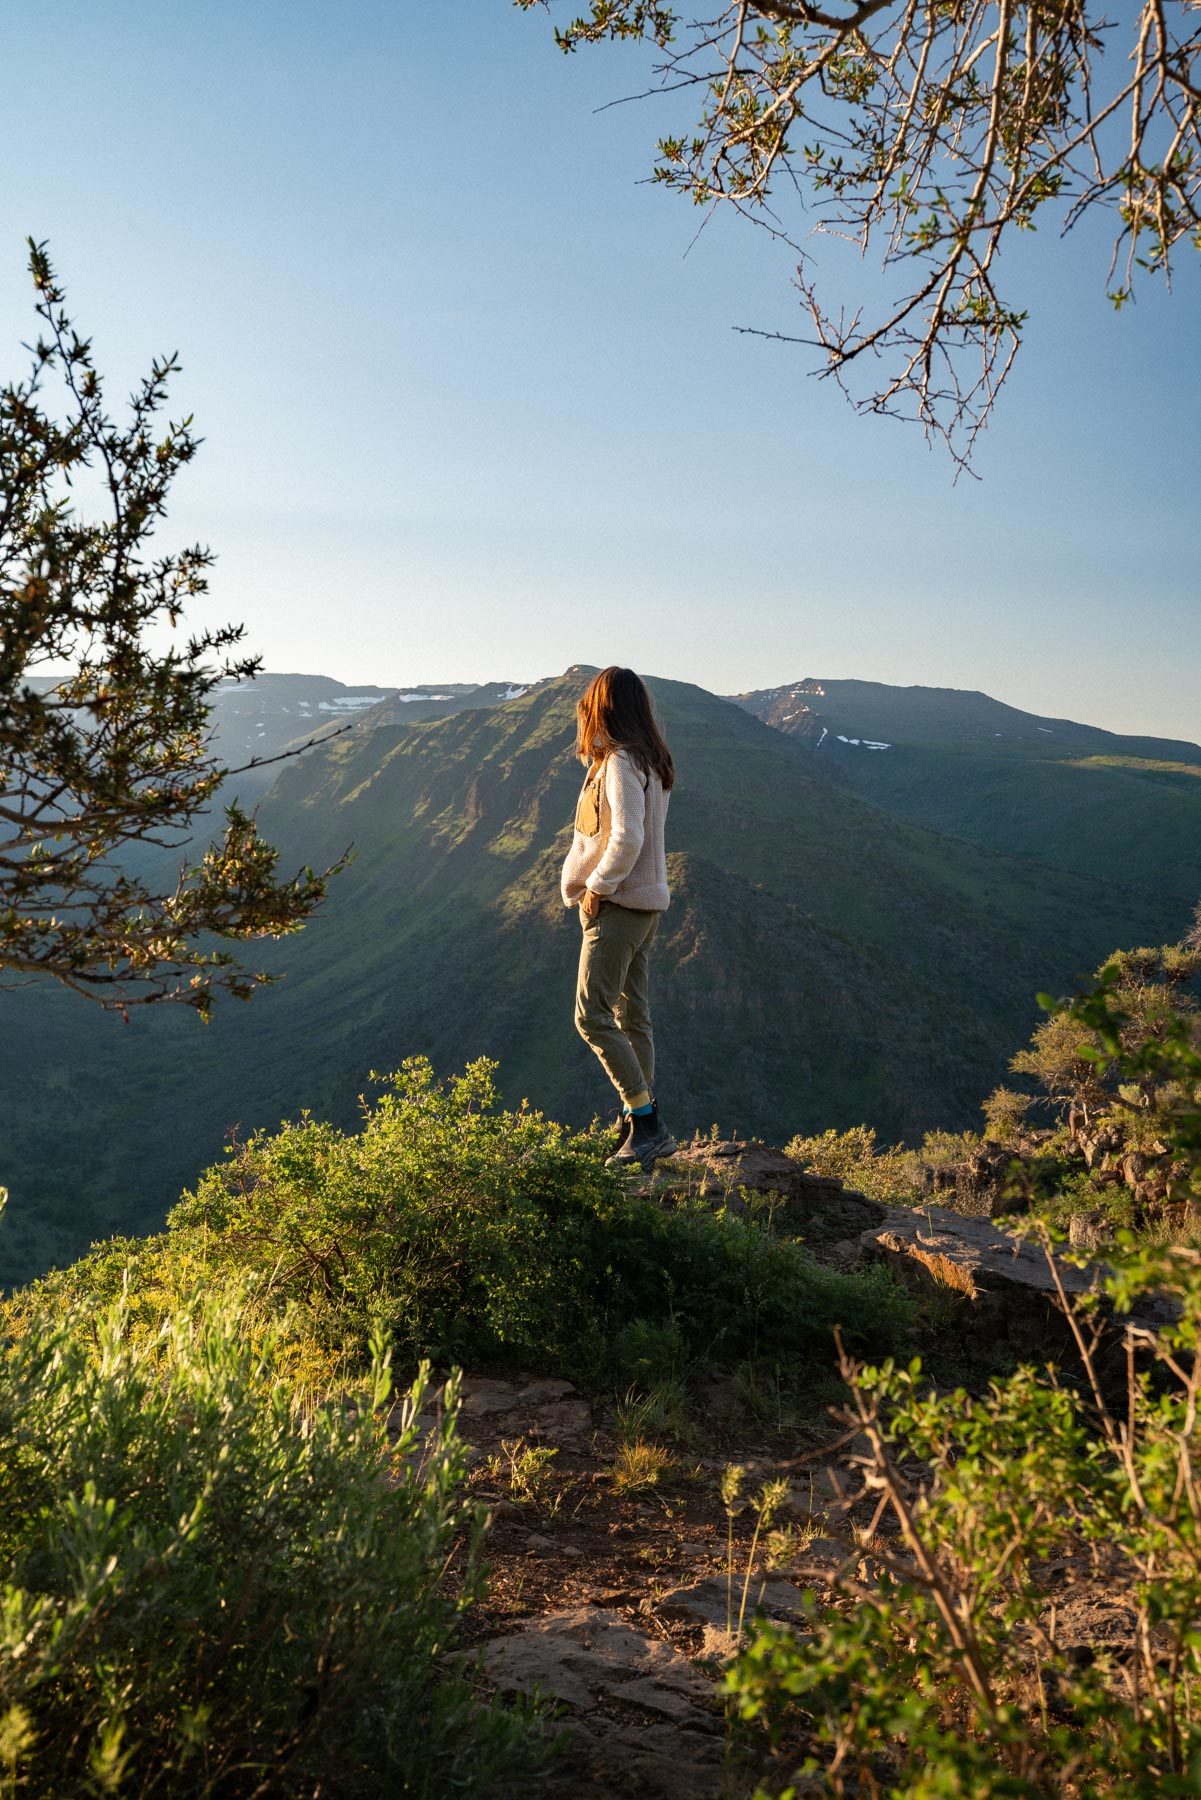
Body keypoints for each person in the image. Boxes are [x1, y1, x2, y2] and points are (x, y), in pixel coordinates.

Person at [561, 667, 677, 1170]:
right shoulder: (650, 759)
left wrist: (597, 887)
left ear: (602, 708)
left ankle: (646, 1123)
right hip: (646, 905)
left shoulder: (620, 762)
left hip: (619, 905)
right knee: (634, 1017)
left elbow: (626, 836)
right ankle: (637, 1119)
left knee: (591, 1017)